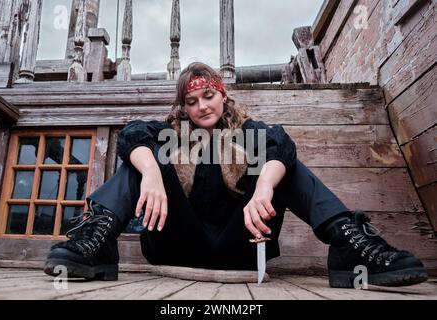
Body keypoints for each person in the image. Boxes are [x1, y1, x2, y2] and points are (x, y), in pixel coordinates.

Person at [44, 62, 428, 288]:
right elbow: (132, 134)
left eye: (208, 96)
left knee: (282, 166)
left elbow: (282, 146)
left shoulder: (250, 131)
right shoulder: (168, 135)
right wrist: (152, 174)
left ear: (222, 95)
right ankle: (96, 245)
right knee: (140, 156)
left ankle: (350, 247)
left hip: (238, 247)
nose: (201, 106)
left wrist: (263, 186)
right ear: (184, 107)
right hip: (177, 242)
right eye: (191, 101)